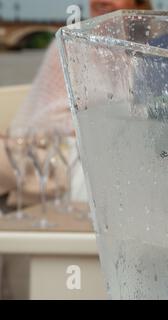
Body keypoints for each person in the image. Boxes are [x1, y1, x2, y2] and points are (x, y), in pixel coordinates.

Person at [0, 0, 152, 208]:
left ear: (137, 6)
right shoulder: (68, 44)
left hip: (107, 155)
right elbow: (44, 120)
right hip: (53, 151)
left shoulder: (143, 53)